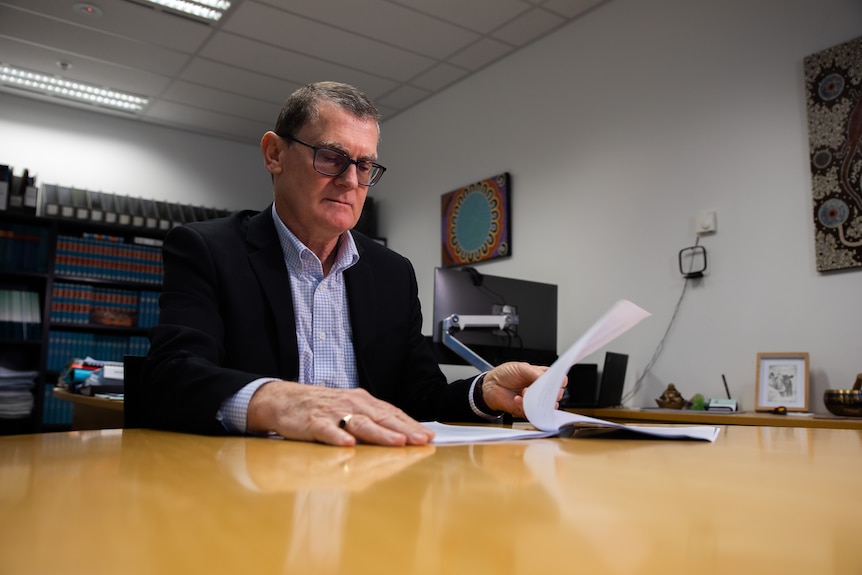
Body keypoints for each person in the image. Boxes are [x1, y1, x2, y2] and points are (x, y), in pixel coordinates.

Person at [142, 81, 558, 446]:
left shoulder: (393, 273)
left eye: (363, 165)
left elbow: (419, 398)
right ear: (274, 154)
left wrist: (484, 391)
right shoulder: (208, 249)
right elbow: (171, 377)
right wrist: (284, 401)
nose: (350, 181)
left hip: (368, 488)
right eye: (330, 157)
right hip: (253, 487)